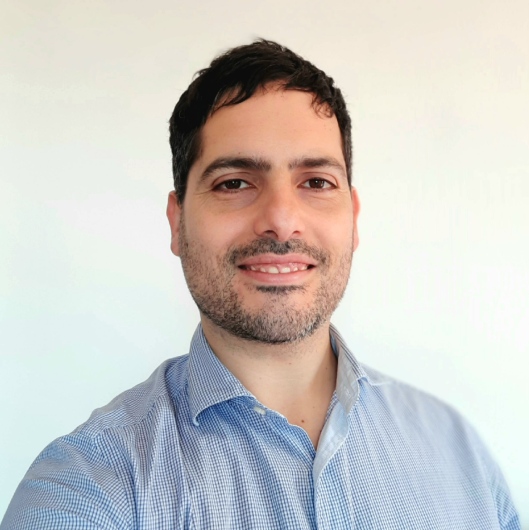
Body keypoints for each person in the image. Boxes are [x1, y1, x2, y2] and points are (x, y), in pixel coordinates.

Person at [1, 39, 520, 530]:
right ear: (177, 223)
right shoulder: (86, 488)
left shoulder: (460, 453)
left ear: (354, 218)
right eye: (234, 183)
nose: (281, 220)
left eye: (316, 182)